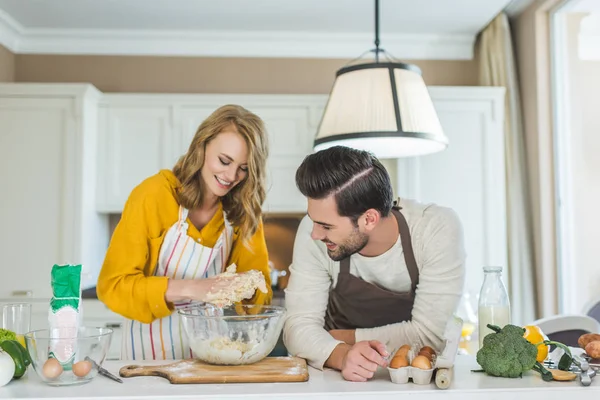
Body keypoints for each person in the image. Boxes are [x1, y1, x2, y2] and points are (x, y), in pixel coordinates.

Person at [97, 104, 273, 360]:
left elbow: (258, 297)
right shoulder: (155, 195)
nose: (231, 175)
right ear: (201, 146)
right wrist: (195, 289)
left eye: (243, 168)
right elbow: (112, 287)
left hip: (211, 356)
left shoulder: (242, 211)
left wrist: (247, 287)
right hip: (148, 357)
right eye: (224, 160)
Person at [283, 146, 466, 382]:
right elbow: (297, 327)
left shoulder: (435, 229)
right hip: (337, 379)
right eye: (315, 222)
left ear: (369, 219)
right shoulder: (312, 231)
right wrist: (342, 354)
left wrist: (336, 337)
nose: (315, 234)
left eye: (327, 226)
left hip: (416, 381)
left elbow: (431, 336)